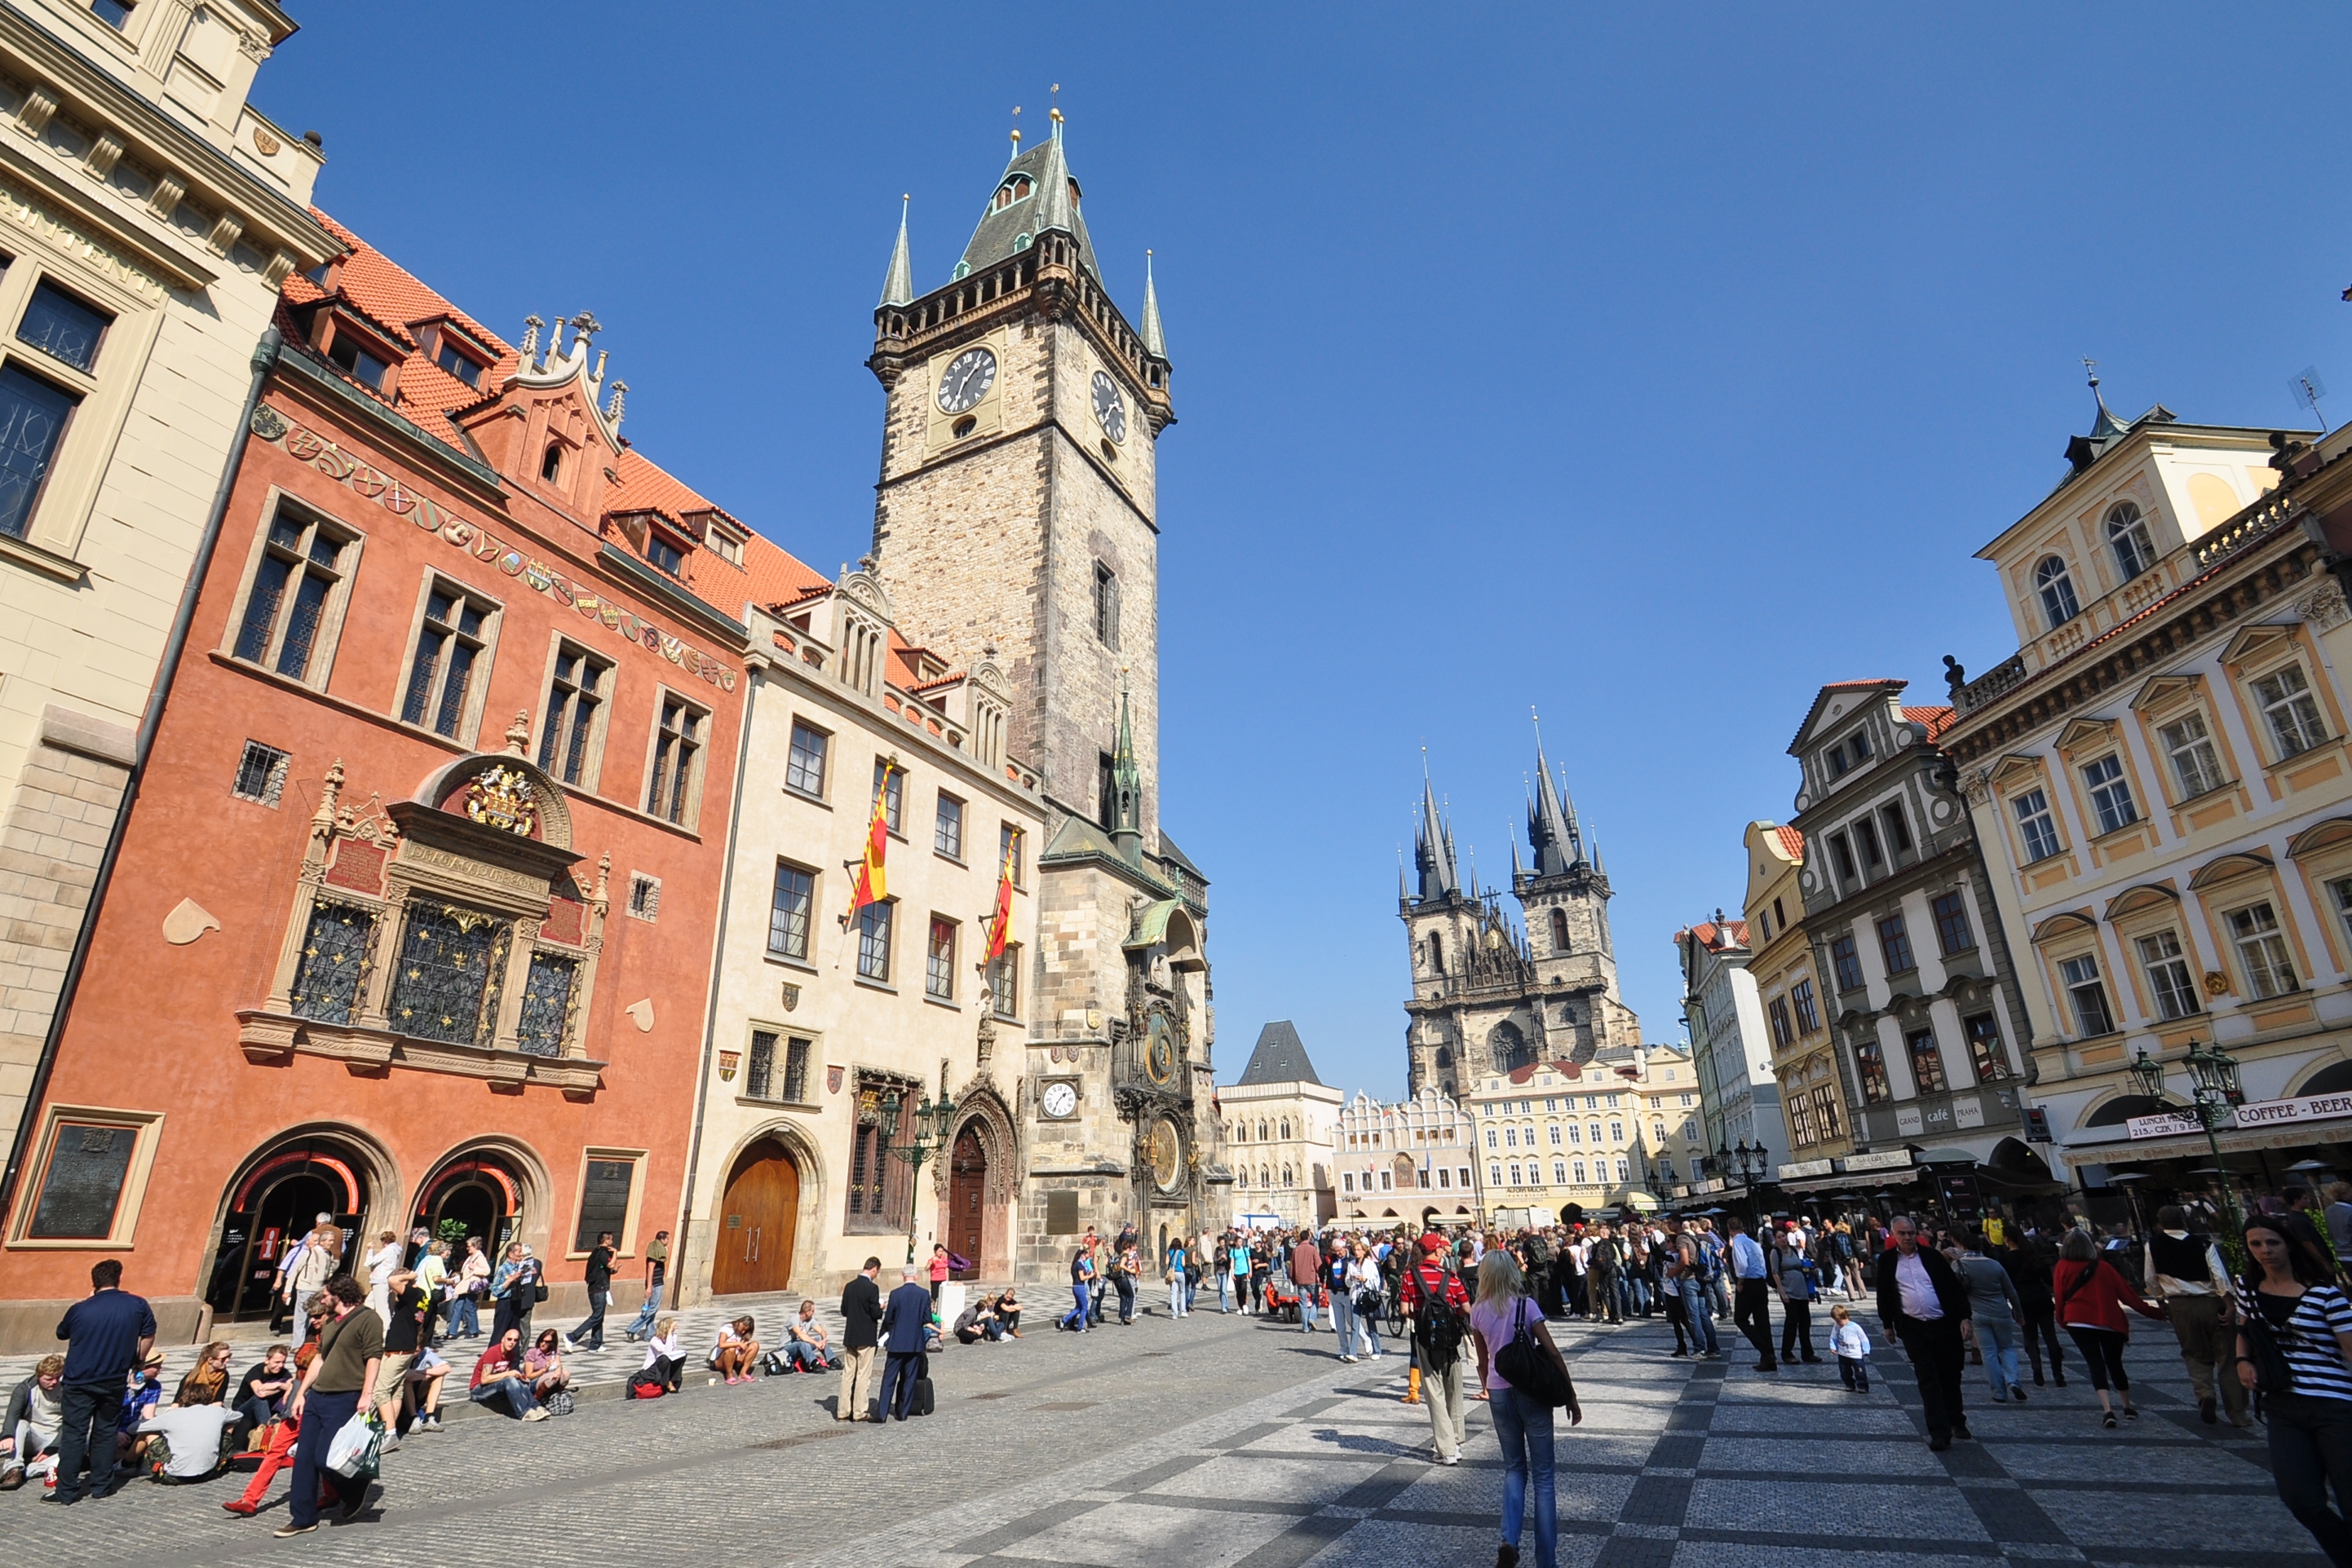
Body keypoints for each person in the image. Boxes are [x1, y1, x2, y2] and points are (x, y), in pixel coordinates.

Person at [2236, 1213, 2352, 1565]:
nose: (2265, 1250)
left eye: (2273, 1242)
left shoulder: (2325, 1295)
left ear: (2287, 1245)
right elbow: (2244, 1331)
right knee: (2300, 1498)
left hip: (2335, 1405)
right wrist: (2242, 1361)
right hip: (2283, 1405)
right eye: (2256, 1244)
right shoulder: (2248, 1289)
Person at [1469, 1248, 1581, 1568]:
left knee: (1514, 1469)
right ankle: (1546, 1561)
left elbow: (1482, 1361)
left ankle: (1509, 1540)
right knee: (1544, 1477)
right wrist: (1570, 1395)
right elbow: (1553, 1353)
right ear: (1512, 1274)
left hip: (1499, 1391)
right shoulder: (1526, 1306)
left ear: (1486, 1276)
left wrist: (1488, 1386)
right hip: (1532, 1392)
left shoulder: (1477, 1311)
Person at [274, 1274, 382, 1537]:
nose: (322, 1300)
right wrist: (301, 1393)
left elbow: (374, 1358)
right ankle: (303, 1517)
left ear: (339, 1294)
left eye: (325, 1295)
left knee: (327, 1459)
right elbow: (320, 1358)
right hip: (318, 1397)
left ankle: (355, 1487)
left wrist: (367, 1394)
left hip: (346, 1397)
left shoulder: (369, 1319)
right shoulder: (332, 1322)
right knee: (305, 1458)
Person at [46, 1258, 155, 1506]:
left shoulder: (81, 1308)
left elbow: (62, 1332)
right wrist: (138, 1360)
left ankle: (66, 1492)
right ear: (119, 1279)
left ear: (93, 1282)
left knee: (74, 1434)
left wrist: (86, 1301)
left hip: (79, 1380)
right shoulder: (137, 1305)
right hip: (114, 1379)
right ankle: (101, 1486)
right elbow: (148, 1334)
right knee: (105, 1432)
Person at [2146, 1203, 2248, 1429]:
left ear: (2161, 1224)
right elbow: (2219, 1277)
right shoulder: (2202, 1244)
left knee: (2194, 1354)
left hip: (2179, 1306)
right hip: (2211, 1303)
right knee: (2227, 1357)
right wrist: (2229, 1304)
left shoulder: (2152, 1245)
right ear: (2184, 1221)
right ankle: (2237, 1412)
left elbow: (2150, 1278)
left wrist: (2160, 1299)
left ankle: (2205, 1393)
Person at [1875, 1214, 1971, 1451]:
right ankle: (1938, 1432)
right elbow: (1885, 1293)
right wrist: (1887, 1323)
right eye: (1902, 1233)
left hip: (1944, 1324)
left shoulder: (1931, 1256)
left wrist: (1964, 1317)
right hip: (1913, 1327)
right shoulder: (1887, 1261)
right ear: (1893, 1235)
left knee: (1950, 1375)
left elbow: (1953, 1288)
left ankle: (1956, 1419)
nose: (1907, 1237)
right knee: (1927, 1378)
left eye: (1910, 1233)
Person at [2053, 1226, 2164, 1429]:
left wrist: (2062, 1320)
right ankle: (2127, 1406)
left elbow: (2059, 1298)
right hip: (2109, 1322)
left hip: (2078, 1321)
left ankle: (2107, 1409)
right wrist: (2157, 1313)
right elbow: (2129, 1297)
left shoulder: (2062, 1267)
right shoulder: (2104, 1268)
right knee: (2115, 1364)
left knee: (2095, 1364)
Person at [219, 1344, 317, 1517]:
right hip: (291, 1416)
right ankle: (249, 1500)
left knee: (318, 1455)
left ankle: (334, 1494)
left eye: (303, 1368)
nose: (299, 1371)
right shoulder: (260, 1371)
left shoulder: (319, 1370)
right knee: (274, 1454)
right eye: (298, 1367)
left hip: (312, 1412)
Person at [1402, 1233, 1472, 1464]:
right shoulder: (1451, 1277)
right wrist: (1451, 1316)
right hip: (1451, 1340)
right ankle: (1457, 1441)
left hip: (1425, 1340)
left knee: (1434, 1393)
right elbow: (1466, 1308)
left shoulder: (1410, 1277)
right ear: (1437, 1251)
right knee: (1454, 1389)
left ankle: (1446, 1449)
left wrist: (1420, 1316)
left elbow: (1404, 1310)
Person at [1953, 1233, 2026, 1402]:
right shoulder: (1995, 1265)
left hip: (1977, 1313)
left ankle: (1999, 1392)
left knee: (1989, 1353)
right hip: (2000, 1311)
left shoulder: (1959, 1265)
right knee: (2007, 1348)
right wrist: (2019, 1313)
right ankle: (2013, 1381)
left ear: (1963, 1247)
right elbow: (2011, 1292)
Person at [137, 1375, 243, 1485]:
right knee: (230, 1424)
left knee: (149, 1433)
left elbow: (134, 1428)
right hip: (210, 1472)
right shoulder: (218, 1411)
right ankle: (219, 1458)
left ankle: (126, 1464)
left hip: (173, 1476)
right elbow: (239, 1416)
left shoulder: (173, 1415)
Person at [372, 1268, 431, 1449]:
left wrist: (409, 1276)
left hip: (398, 1349)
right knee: (396, 1390)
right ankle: (390, 1430)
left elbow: (392, 1280)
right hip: (405, 1347)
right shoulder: (421, 1297)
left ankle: (389, 1433)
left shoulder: (413, 1293)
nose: (393, 1292)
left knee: (380, 1391)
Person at [878, 1266, 934, 1422]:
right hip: (914, 1342)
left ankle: (882, 1413)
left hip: (897, 1342)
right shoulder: (923, 1294)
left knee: (889, 1378)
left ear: (903, 1276)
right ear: (916, 1276)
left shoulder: (895, 1294)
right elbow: (927, 1318)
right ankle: (903, 1413)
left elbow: (888, 1319)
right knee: (909, 1378)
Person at [0, 1354, 64, 1491]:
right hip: (33, 1435)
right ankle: (13, 1469)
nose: (54, 1382)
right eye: (48, 1379)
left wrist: (54, 1447)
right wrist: (7, 1436)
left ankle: (27, 1471)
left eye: (57, 1378)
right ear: (39, 1376)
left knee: (74, 1449)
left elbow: (72, 1421)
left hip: (56, 1438)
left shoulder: (67, 1389)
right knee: (20, 1424)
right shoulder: (26, 1388)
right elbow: (12, 1414)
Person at [1726, 1216, 1775, 1370]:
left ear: (1729, 1229)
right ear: (1743, 1227)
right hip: (1760, 1282)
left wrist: (1740, 1282)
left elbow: (1742, 1263)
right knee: (1762, 1321)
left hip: (1748, 1283)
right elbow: (1762, 1261)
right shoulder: (1752, 1242)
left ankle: (1766, 1351)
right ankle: (1769, 1360)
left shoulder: (1738, 1243)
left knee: (1740, 1319)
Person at [839, 1257, 885, 1420]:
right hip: (866, 1337)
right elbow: (875, 1313)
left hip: (850, 1336)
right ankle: (859, 1411)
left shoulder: (849, 1286)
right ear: (874, 1269)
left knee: (848, 1374)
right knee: (863, 1375)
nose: (876, 1275)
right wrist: (880, 1307)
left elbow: (844, 1311)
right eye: (877, 1272)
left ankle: (843, 1411)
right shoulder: (872, 1288)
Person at [467, 1327, 546, 1421]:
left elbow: (504, 1375)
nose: (512, 1342)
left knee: (519, 1382)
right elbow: (484, 1380)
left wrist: (516, 1376)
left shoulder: (510, 1354)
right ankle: (524, 1412)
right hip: (478, 1390)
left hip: (494, 1388)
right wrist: (508, 1374)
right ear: (503, 1339)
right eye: (509, 1339)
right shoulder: (493, 1352)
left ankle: (536, 1406)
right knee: (510, 1380)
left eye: (515, 1340)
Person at [1773, 1225, 1821, 1364]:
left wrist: (1810, 1271)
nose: (1782, 1239)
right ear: (1775, 1240)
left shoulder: (1793, 1250)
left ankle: (1808, 1353)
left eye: (1783, 1236)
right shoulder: (1775, 1252)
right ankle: (1787, 1353)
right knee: (1792, 1322)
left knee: (1805, 1321)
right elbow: (1775, 1273)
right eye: (1779, 1237)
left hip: (1801, 1290)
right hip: (1789, 1291)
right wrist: (1782, 1291)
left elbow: (1800, 1265)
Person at [568, 1230, 617, 1352]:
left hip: (596, 1287)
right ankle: (572, 1337)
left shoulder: (595, 1252)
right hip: (598, 1288)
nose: (612, 1242)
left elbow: (601, 1269)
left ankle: (595, 1344)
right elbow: (610, 1265)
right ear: (606, 1240)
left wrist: (612, 1271)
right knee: (596, 1316)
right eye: (610, 1239)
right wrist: (615, 1253)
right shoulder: (602, 1253)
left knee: (599, 1317)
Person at [489, 1241, 540, 1345]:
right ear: (511, 1254)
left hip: (516, 1301)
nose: (522, 1254)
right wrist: (510, 1280)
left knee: (514, 1331)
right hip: (505, 1303)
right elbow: (494, 1290)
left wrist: (530, 1272)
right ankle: (492, 1355)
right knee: (500, 1332)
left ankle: (514, 1358)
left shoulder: (518, 1268)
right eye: (519, 1252)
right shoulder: (502, 1269)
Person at [625, 1230, 671, 1341]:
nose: (668, 1241)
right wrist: (649, 1287)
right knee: (653, 1309)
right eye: (667, 1239)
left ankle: (649, 1334)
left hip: (656, 1282)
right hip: (655, 1283)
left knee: (651, 1309)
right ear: (662, 1239)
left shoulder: (659, 1249)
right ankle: (632, 1328)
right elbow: (651, 1269)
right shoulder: (654, 1250)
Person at [446, 1235, 489, 1341]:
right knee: (458, 1307)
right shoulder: (471, 1257)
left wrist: (475, 1268)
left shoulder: (480, 1257)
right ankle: (452, 1332)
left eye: (469, 1246)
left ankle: (474, 1330)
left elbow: (487, 1271)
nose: (467, 1248)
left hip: (471, 1286)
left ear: (475, 1246)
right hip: (464, 1285)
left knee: (469, 1307)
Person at [1348, 1239, 1386, 1360]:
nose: (1357, 1252)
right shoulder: (1351, 1264)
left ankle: (1377, 1350)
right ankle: (1353, 1353)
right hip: (1355, 1298)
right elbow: (1347, 1283)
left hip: (1368, 1297)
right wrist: (1351, 1279)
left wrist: (1365, 1280)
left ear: (1364, 1251)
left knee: (1371, 1324)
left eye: (1359, 1250)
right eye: (1355, 1250)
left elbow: (1376, 1283)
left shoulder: (1370, 1265)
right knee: (1355, 1326)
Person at [404, 1345, 449, 1432]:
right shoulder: (402, 1353)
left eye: (416, 1351)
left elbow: (447, 1368)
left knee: (439, 1376)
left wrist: (424, 1372)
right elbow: (406, 1375)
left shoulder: (425, 1352)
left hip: (418, 1390)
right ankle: (414, 1418)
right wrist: (422, 1375)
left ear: (421, 1349)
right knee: (407, 1380)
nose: (413, 1353)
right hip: (402, 1393)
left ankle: (428, 1417)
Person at [360, 1230, 400, 1323]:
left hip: (381, 1280)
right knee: (368, 1304)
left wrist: (370, 1250)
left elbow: (370, 1262)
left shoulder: (388, 1250)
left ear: (384, 1241)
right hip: (381, 1280)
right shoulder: (394, 1251)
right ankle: (363, 1323)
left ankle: (387, 1329)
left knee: (381, 1308)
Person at [1829, 1304, 1871, 1393]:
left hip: (1855, 1354)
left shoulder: (1855, 1327)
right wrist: (1833, 1346)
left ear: (1846, 1316)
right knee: (1845, 1371)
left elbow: (1864, 1339)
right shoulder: (1837, 1327)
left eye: (1839, 1321)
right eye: (1836, 1321)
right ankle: (1849, 1384)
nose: (1838, 1323)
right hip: (1843, 1353)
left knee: (1860, 1371)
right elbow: (1834, 1337)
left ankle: (1863, 1386)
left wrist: (1866, 1349)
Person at [638, 1318, 684, 1395]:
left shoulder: (674, 1337)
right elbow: (667, 1352)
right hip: (652, 1367)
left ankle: (672, 1381)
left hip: (665, 1365)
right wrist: (669, 1333)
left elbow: (673, 1353)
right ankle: (668, 1383)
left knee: (680, 1357)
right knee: (665, 1359)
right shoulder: (655, 1340)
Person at [710, 1316, 760, 1385]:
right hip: (719, 1359)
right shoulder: (727, 1329)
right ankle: (729, 1376)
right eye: (743, 1329)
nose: (743, 1332)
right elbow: (721, 1345)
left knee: (755, 1345)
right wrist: (738, 1344)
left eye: (746, 1330)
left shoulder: (743, 1334)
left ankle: (743, 1373)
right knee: (731, 1349)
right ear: (740, 1323)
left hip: (735, 1359)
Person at [523, 1328, 571, 1399]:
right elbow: (529, 1376)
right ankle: (536, 1399)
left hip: (550, 1380)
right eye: (542, 1340)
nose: (543, 1343)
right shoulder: (532, 1352)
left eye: (547, 1342)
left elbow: (559, 1365)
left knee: (566, 1374)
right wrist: (544, 1369)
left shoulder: (554, 1351)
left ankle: (555, 1395)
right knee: (551, 1377)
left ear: (552, 1343)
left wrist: (558, 1370)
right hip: (533, 1382)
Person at [788, 1299, 836, 1367]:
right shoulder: (794, 1319)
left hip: (802, 1347)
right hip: (787, 1348)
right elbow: (801, 1335)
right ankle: (813, 1363)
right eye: (812, 1311)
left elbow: (821, 1331)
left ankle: (832, 1360)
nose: (813, 1313)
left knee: (820, 1338)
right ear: (807, 1312)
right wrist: (816, 1343)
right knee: (802, 1343)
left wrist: (824, 1340)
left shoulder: (810, 1320)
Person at [1060, 1241, 1096, 1332]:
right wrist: (1090, 1276)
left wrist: (1089, 1273)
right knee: (1084, 1307)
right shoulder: (1079, 1265)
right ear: (1082, 1255)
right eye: (1086, 1255)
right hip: (1079, 1287)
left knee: (1078, 1308)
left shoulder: (1078, 1264)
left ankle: (1065, 1320)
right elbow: (1082, 1277)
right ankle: (1080, 1327)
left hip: (1077, 1287)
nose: (1087, 1257)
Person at [1293, 1231, 1324, 1333]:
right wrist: (1321, 1277)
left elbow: (1292, 1266)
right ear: (1308, 1237)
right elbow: (1319, 1264)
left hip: (1300, 1279)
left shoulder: (1296, 1250)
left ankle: (1305, 1327)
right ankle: (1312, 1317)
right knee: (1316, 1300)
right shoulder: (1312, 1249)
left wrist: (1293, 1279)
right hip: (1311, 1279)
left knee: (1303, 1303)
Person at [1166, 1235, 1191, 1321]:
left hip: (1172, 1273)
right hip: (1180, 1272)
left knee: (1173, 1293)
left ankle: (1174, 1314)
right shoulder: (1181, 1252)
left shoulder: (1169, 1251)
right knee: (1182, 1291)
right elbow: (1184, 1264)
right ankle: (1183, 1311)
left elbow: (1166, 1262)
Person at [928, 1242, 953, 1307]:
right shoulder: (932, 1259)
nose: (941, 1253)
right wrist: (930, 1263)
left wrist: (947, 1280)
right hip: (935, 1280)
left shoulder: (944, 1259)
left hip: (943, 1280)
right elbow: (926, 1268)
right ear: (935, 1251)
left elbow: (946, 1269)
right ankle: (932, 1309)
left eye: (942, 1251)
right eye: (939, 1251)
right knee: (934, 1296)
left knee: (942, 1296)